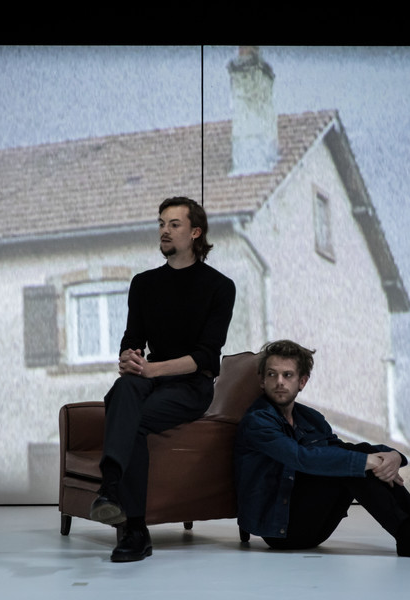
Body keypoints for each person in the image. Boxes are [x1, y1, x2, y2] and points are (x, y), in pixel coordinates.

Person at [89, 196, 236, 562]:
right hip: (149, 378)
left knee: (131, 414)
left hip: (191, 385)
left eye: (174, 224)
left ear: (195, 232)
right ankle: (113, 494)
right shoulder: (144, 283)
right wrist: (128, 357)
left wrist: (151, 369)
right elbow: (132, 338)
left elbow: (206, 356)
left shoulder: (220, 286)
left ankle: (133, 525)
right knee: (124, 387)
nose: (164, 231)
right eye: (161, 224)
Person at [234, 339, 410, 560]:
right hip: (282, 531)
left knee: (355, 454)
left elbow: (342, 448)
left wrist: (392, 456)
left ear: (302, 382)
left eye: (287, 375)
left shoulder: (311, 418)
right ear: (262, 381)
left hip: (314, 524)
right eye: (272, 374)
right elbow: (301, 458)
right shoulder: (258, 421)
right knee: (352, 465)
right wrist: (366, 462)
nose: (279, 382)